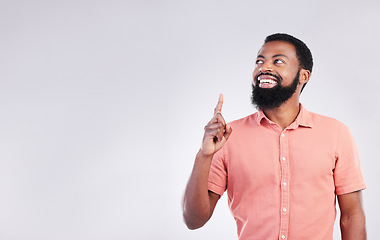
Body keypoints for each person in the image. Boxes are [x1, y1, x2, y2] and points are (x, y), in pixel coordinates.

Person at [182, 33, 366, 240]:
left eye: (277, 61)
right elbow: (194, 220)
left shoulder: (336, 133)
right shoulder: (227, 137)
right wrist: (204, 155)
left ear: (303, 76)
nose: (264, 67)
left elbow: (351, 216)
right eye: (259, 61)